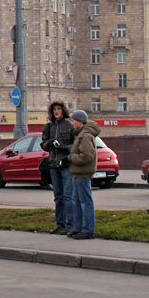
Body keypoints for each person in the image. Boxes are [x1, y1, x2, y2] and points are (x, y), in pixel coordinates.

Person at [40, 101, 76, 235]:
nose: (56, 112)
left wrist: (62, 147)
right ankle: (60, 224)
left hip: (65, 165)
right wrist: (49, 143)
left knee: (68, 196)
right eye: (54, 109)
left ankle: (70, 224)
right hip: (53, 165)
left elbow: (74, 146)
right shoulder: (48, 127)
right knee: (58, 197)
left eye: (59, 109)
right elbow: (43, 145)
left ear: (63, 111)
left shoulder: (69, 126)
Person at [68, 109, 100, 240]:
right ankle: (77, 227)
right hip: (77, 173)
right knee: (76, 202)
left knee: (85, 202)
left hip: (83, 173)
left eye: (74, 121)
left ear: (80, 122)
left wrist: (71, 158)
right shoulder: (80, 134)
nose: (72, 123)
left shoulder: (85, 136)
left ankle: (89, 229)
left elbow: (87, 156)